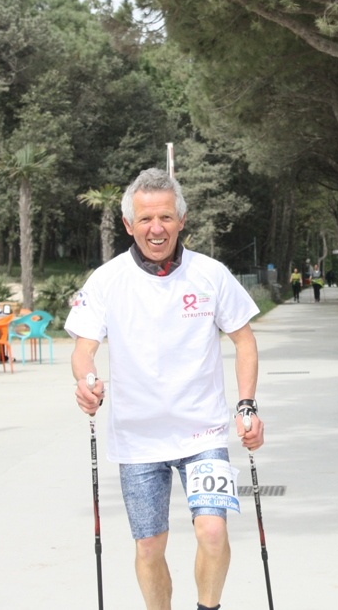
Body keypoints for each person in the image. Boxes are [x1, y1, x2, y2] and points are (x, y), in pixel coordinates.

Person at [67, 168, 263, 610]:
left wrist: (247, 405)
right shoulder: (107, 279)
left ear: (182, 219)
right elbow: (83, 349)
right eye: (146, 219)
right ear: (128, 224)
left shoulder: (210, 274)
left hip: (203, 431)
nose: (156, 229)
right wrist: (86, 380)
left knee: (213, 531)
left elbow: (244, 340)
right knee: (149, 546)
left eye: (166, 218)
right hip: (138, 438)